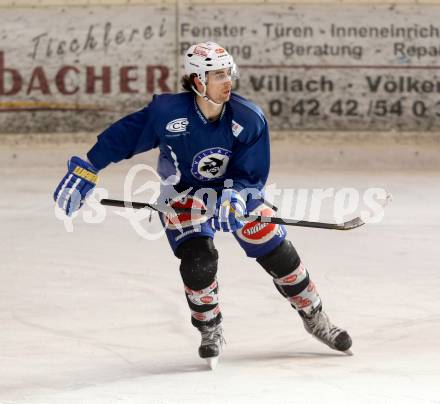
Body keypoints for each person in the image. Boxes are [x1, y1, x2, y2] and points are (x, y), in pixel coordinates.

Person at [54, 41, 352, 369]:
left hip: (233, 193)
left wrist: (235, 196)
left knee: (275, 248)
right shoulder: (166, 114)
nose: (228, 81)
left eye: (229, 73)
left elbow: (251, 174)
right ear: (198, 81)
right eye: (219, 75)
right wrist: (89, 165)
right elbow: (122, 137)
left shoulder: (248, 118)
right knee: (199, 262)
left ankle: (315, 316)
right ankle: (210, 329)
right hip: (182, 197)